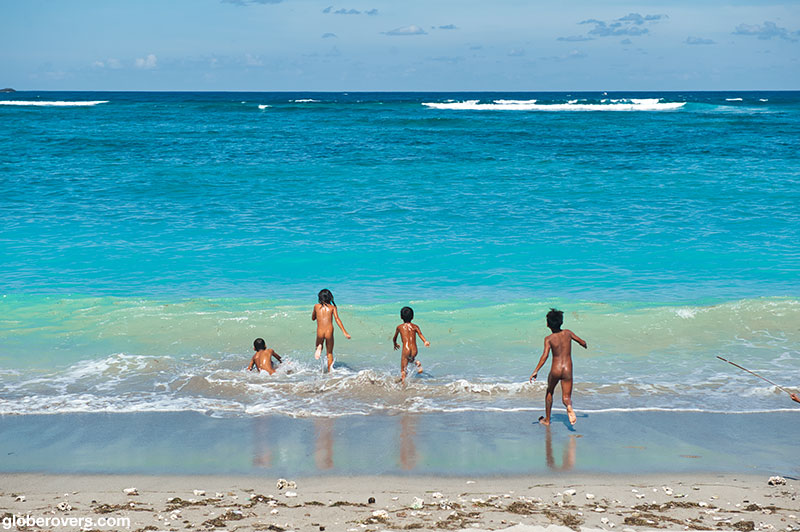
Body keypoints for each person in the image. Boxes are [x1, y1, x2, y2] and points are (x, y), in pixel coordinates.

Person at [529, 308, 587, 426]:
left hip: (556, 369)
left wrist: (536, 371)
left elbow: (545, 356)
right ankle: (569, 407)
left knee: (550, 391)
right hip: (567, 369)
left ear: (547, 324)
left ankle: (547, 420)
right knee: (566, 397)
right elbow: (582, 342)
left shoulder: (548, 339)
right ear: (562, 322)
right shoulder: (568, 333)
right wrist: (584, 344)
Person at [312, 288, 350, 373]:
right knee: (329, 353)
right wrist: (345, 332)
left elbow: (313, 318)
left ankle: (319, 347)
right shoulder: (333, 307)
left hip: (320, 332)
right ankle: (330, 372)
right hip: (329, 332)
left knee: (318, 345)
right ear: (329, 297)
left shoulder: (316, 306)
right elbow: (337, 319)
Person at [393, 306, 430, 384]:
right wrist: (425, 341)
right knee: (410, 359)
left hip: (406, 349)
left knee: (403, 369)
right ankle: (417, 363)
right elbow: (420, 334)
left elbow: (394, 337)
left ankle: (403, 384)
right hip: (414, 349)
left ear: (401, 317)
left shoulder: (399, 327)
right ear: (412, 317)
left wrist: (395, 344)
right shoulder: (415, 326)